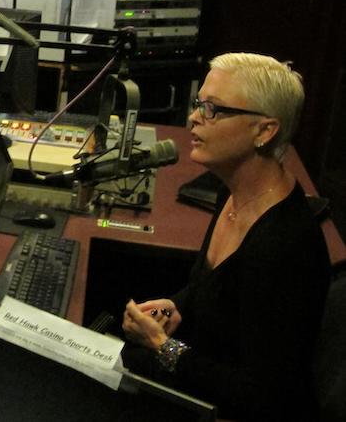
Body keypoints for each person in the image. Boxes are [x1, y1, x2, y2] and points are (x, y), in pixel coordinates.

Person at [120, 52, 330, 421]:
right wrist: (177, 305)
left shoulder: (283, 246)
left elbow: (262, 397)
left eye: (213, 109)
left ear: (265, 131)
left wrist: (162, 346)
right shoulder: (231, 192)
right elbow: (215, 289)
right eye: (199, 104)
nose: (194, 118)